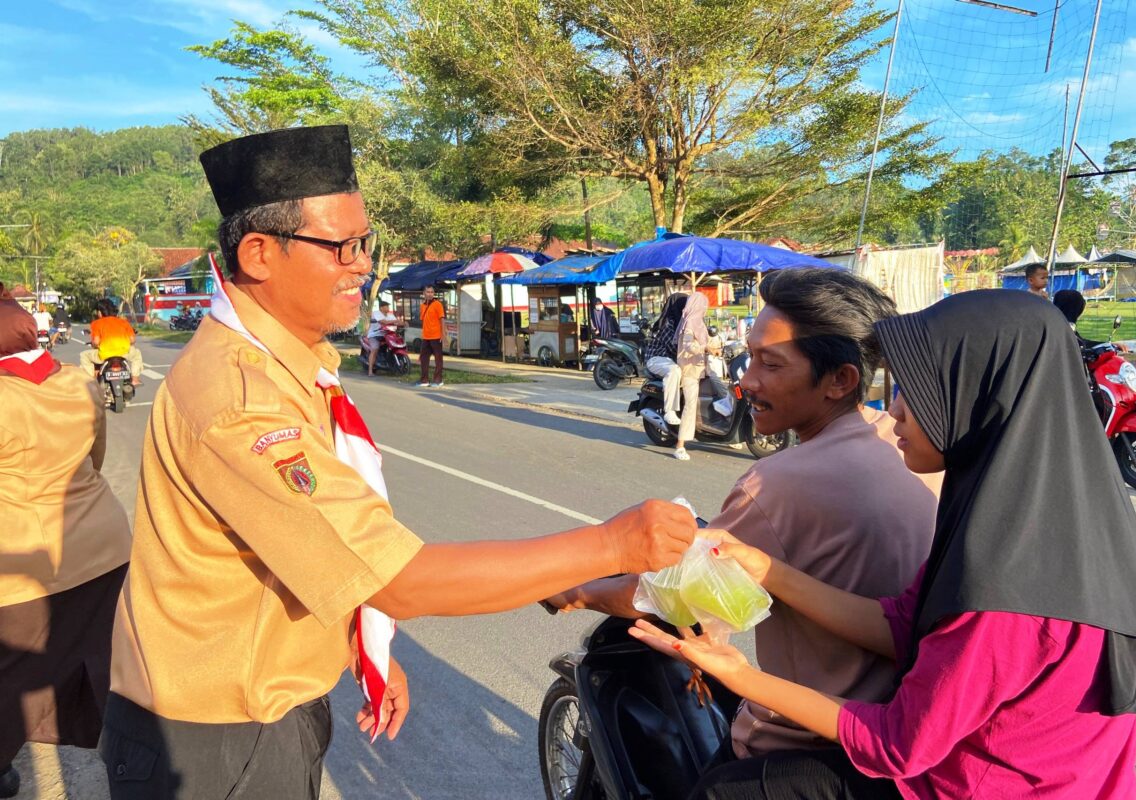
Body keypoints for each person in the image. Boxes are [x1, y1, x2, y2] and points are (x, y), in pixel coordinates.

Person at [101, 125, 697, 800]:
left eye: (366, 243)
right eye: (343, 247)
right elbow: (397, 579)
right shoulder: (243, 401)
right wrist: (611, 545)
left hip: (252, 714)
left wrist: (366, 638)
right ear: (260, 253)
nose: (363, 266)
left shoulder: (287, 363)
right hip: (214, 741)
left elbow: (326, 548)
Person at [632, 289, 1136, 800]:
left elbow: (898, 745)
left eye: (916, 391)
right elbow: (902, 624)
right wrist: (767, 569)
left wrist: (740, 674)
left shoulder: (1011, 586)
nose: (892, 411)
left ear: (977, 398)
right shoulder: (1036, 511)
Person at [551, 268, 939, 772]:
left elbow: (669, 597)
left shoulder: (778, 482)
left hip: (799, 742)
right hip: (907, 723)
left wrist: (575, 590)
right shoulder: (905, 443)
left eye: (770, 364)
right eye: (749, 356)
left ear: (840, 380)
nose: (746, 380)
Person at [0, 301, 131, 799]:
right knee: (103, 658)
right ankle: (128, 754)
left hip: (23, 563)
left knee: (16, 675)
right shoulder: (79, 382)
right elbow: (95, 459)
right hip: (104, 546)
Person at [672, 293, 711, 460]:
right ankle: (680, 445)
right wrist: (704, 348)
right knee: (690, 404)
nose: (705, 308)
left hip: (702, 368)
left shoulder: (699, 323)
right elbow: (688, 345)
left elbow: (708, 341)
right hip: (689, 370)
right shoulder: (689, 323)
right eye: (703, 304)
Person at [644, 292, 689, 425]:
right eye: (684, 305)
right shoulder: (667, 324)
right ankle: (670, 411)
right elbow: (675, 347)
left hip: (671, 359)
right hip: (656, 359)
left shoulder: (681, 322)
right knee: (674, 370)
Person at [79, 301, 144, 386]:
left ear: (100, 312)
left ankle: (92, 382)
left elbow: (96, 342)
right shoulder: (123, 322)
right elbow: (132, 340)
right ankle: (135, 379)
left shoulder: (97, 323)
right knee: (137, 354)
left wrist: (94, 344)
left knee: (84, 355)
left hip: (105, 355)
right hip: (124, 353)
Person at [1053, 289, 1131, 352]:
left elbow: (1081, 342)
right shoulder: (1066, 328)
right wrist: (1107, 345)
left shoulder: (1058, 326)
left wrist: (1108, 344)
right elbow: (1081, 344)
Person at [418, 284, 445, 387]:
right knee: (424, 359)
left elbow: (442, 320)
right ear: (424, 293)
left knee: (438, 360)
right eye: (428, 292)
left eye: (432, 292)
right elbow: (424, 321)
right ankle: (424, 380)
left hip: (436, 336)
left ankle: (438, 380)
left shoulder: (438, 304)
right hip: (426, 337)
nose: (430, 294)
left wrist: (443, 334)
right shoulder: (422, 306)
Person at [365, 299, 400, 376]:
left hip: (387, 334)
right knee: (374, 349)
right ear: (381, 308)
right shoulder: (376, 313)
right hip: (374, 335)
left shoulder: (390, 315)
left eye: (388, 306)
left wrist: (404, 323)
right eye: (386, 306)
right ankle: (370, 371)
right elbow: (384, 322)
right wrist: (395, 321)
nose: (388, 308)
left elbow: (397, 322)